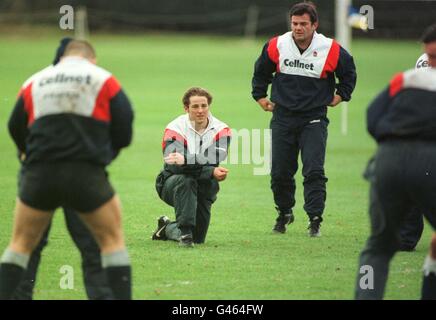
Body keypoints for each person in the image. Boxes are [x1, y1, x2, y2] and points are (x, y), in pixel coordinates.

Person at [0, 40, 134, 300]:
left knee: (21, 245)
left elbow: (15, 125)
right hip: (85, 175)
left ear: (61, 58)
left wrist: (30, 156)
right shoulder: (102, 79)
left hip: (39, 174)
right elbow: (125, 123)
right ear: (91, 59)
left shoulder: (36, 80)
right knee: (110, 243)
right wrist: (105, 155)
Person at [251, 2, 356, 236]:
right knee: (279, 172)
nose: (298, 28)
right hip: (282, 118)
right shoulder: (276, 45)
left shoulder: (331, 48)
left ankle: (315, 218)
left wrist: (341, 95)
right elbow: (261, 72)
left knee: (314, 171)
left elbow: (349, 72)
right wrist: (259, 96)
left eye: (303, 24)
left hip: (314, 119)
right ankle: (284, 212)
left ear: (314, 25)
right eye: (295, 23)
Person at [355, 24, 436, 300]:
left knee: (378, 246)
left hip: (389, 159)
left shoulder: (406, 79)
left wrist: (391, 146)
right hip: (429, 160)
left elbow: (372, 116)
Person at [152, 87, 231, 247]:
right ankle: (185, 234)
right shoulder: (175, 128)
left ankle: (167, 228)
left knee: (199, 239)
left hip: (203, 185)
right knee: (186, 180)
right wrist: (211, 171)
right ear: (186, 108)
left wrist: (186, 160)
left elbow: (214, 158)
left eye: (204, 106)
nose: (200, 110)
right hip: (171, 183)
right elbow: (175, 166)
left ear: (209, 106)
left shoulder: (222, 130)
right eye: (195, 106)